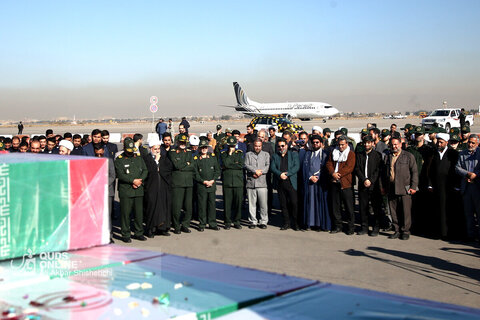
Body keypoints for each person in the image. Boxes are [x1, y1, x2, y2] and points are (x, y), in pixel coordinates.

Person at [381, 137, 418, 240]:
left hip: (405, 187)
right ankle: (396, 230)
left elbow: (414, 172)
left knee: (405, 211)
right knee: (393, 210)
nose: (394, 146)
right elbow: (384, 173)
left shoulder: (408, 156)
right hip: (391, 187)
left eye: (396, 144)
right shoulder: (388, 157)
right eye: (392, 145)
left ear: (401, 144)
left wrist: (414, 186)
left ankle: (405, 231)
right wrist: (383, 186)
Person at [114, 137, 148, 243]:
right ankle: (125, 234)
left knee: (139, 214)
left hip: (138, 189)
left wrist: (140, 181)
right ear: (124, 148)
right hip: (126, 190)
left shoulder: (138, 157)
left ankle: (139, 233)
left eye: (132, 151)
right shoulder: (119, 159)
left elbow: (145, 170)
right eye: (128, 151)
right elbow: (120, 174)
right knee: (126, 214)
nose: (130, 153)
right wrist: (132, 181)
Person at [428, 133, 459, 239]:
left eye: (441, 142)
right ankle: (439, 232)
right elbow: (430, 170)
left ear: (446, 142)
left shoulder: (453, 154)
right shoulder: (433, 154)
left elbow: (456, 171)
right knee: (437, 209)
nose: (439, 144)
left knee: (448, 209)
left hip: (449, 186)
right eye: (438, 142)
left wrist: (456, 185)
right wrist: (430, 185)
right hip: (437, 186)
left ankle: (448, 233)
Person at [142, 138, 172, 238]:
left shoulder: (164, 158)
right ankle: (151, 229)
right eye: (155, 149)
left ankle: (163, 228)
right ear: (151, 149)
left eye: (158, 148)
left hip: (163, 187)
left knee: (164, 207)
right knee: (152, 208)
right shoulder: (147, 159)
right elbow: (147, 171)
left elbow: (168, 169)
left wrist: (160, 167)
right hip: (151, 188)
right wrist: (156, 166)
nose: (157, 150)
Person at [326, 135, 356, 234]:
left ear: (347, 144)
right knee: (335, 206)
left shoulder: (351, 154)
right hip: (334, 182)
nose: (341, 146)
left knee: (348, 207)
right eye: (339, 145)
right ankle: (337, 226)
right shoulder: (333, 152)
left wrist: (338, 174)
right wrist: (332, 173)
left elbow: (349, 167)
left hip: (345, 184)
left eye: (343, 144)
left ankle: (351, 227)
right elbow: (329, 163)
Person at [355, 135, 383, 236]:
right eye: (365, 143)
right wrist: (364, 179)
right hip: (363, 185)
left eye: (369, 143)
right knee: (363, 207)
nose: (367, 144)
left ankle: (376, 227)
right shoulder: (359, 155)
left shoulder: (377, 155)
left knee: (376, 207)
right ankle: (364, 227)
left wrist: (371, 180)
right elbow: (357, 168)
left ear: (372, 143)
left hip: (374, 186)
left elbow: (378, 170)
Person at [271, 138, 300, 230]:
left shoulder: (293, 155)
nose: (281, 148)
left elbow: (297, 166)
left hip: (291, 182)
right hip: (281, 183)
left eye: (283, 146)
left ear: (286, 146)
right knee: (283, 204)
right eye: (279, 146)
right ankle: (286, 222)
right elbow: (272, 167)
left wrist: (288, 174)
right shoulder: (275, 156)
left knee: (294, 203)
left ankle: (295, 223)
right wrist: (280, 174)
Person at [455, 134, 480, 242]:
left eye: (472, 143)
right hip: (466, 187)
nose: (470, 144)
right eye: (469, 142)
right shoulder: (462, 153)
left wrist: (475, 175)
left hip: (477, 186)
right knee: (468, 212)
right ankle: (471, 235)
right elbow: (457, 167)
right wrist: (467, 174)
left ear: (477, 143)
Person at [303, 135, 330, 231]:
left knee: (319, 203)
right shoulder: (308, 154)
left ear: (321, 143)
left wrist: (319, 177)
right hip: (310, 182)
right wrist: (310, 176)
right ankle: (310, 223)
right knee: (311, 202)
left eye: (317, 142)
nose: (315, 144)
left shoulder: (325, 154)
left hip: (320, 182)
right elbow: (305, 168)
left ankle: (319, 224)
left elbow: (327, 168)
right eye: (313, 143)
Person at [169, 133, 195, 234]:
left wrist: (183, 166)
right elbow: (176, 165)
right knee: (177, 206)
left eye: (184, 142)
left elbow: (192, 165)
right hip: (177, 183)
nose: (183, 144)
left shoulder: (188, 152)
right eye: (181, 142)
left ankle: (185, 224)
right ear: (177, 142)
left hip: (188, 182)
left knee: (188, 206)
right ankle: (176, 226)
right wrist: (186, 164)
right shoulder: (173, 152)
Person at [194, 139, 221, 231]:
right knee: (202, 206)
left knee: (212, 205)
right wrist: (203, 181)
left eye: (205, 147)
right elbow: (195, 173)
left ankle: (212, 223)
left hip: (212, 185)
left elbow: (217, 170)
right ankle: (202, 224)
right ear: (199, 148)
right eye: (202, 147)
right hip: (202, 186)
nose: (204, 149)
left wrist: (213, 180)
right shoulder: (196, 159)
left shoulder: (213, 158)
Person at [94, 142, 116, 243]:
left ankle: (109, 235)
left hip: (107, 191)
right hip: (96, 192)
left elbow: (112, 175)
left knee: (107, 215)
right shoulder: (92, 161)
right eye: (97, 154)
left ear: (103, 151)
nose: (99, 156)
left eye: (100, 154)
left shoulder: (109, 161)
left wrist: (104, 183)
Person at [245, 139, 270, 229]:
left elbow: (267, 166)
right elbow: (246, 165)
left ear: (261, 146)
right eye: (256, 146)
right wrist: (254, 171)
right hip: (251, 183)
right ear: (253, 145)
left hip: (262, 183)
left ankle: (263, 221)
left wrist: (260, 172)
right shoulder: (248, 154)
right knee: (252, 204)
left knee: (263, 204)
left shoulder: (266, 154)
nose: (257, 147)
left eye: (259, 146)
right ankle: (253, 221)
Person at [221, 136, 245, 230]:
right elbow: (225, 164)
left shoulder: (240, 153)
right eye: (230, 145)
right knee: (227, 203)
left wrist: (231, 165)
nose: (231, 147)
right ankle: (227, 221)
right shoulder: (224, 153)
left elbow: (240, 165)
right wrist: (230, 154)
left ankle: (237, 221)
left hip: (238, 181)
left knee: (238, 202)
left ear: (236, 145)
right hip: (227, 181)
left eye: (233, 145)